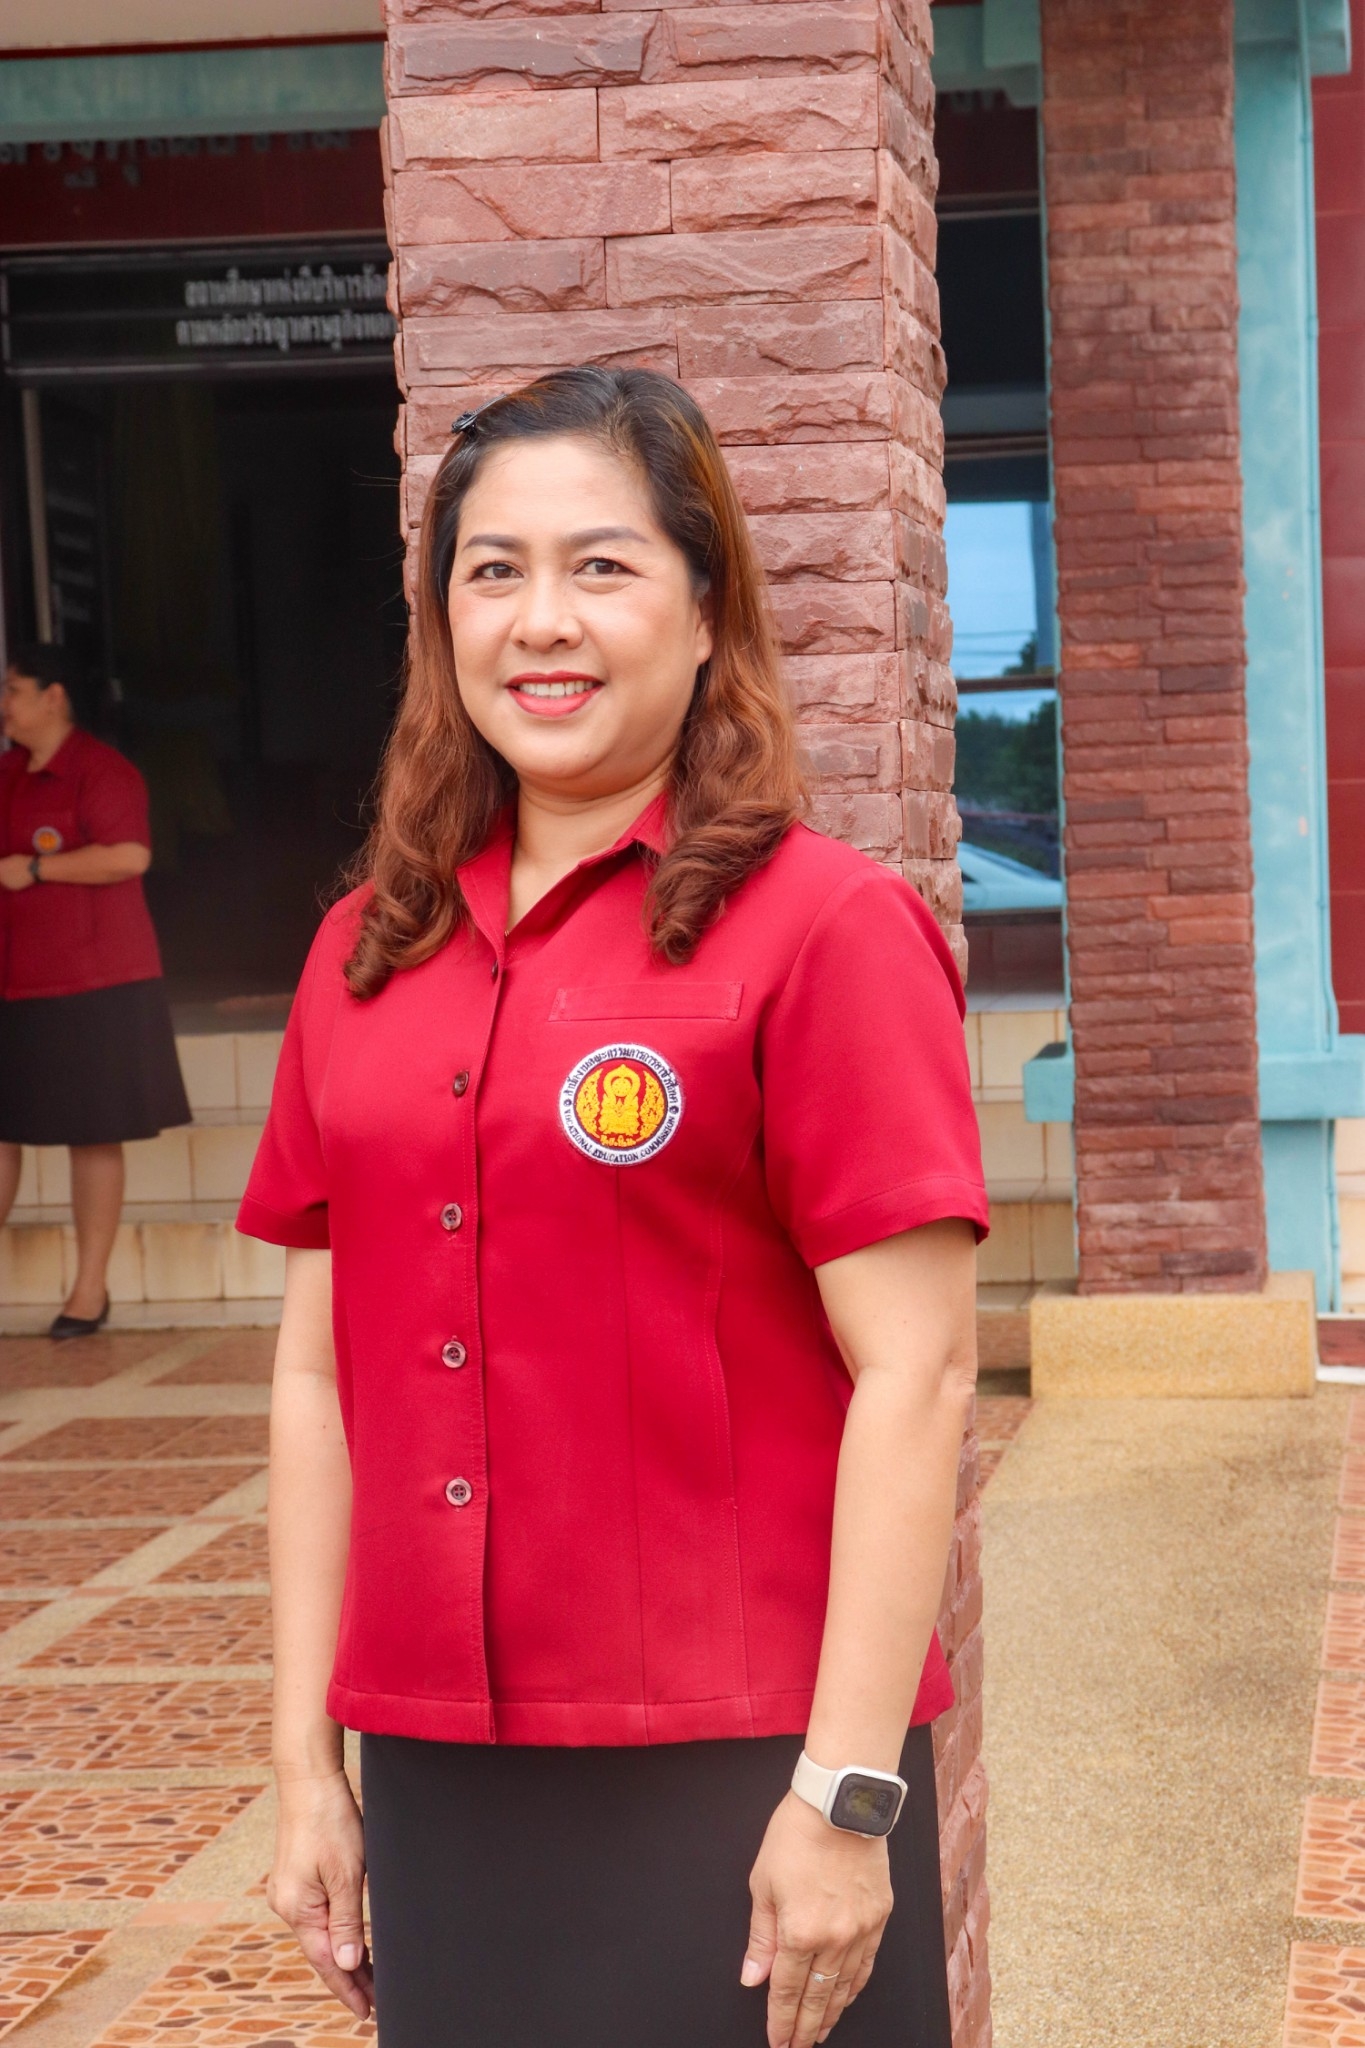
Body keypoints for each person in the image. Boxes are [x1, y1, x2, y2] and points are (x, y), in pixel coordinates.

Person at [238, 367, 988, 2048]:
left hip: (746, 1765)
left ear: (708, 610)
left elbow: (920, 1374)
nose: (540, 622)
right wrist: (306, 1766)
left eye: (601, 565)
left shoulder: (825, 931)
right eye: (491, 571)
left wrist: (846, 1794)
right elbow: (315, 1375)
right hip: (439, 1764)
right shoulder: (364, 950)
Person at [0, 642, 189, 1339]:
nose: (4, 704)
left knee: (93, 1132)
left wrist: (37, 869)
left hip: (95, 981)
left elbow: (130, 855)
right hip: (13, 979)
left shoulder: (102, 771)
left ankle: (88, 1291)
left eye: (14, 689)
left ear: (54, 697)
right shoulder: (8, 774)